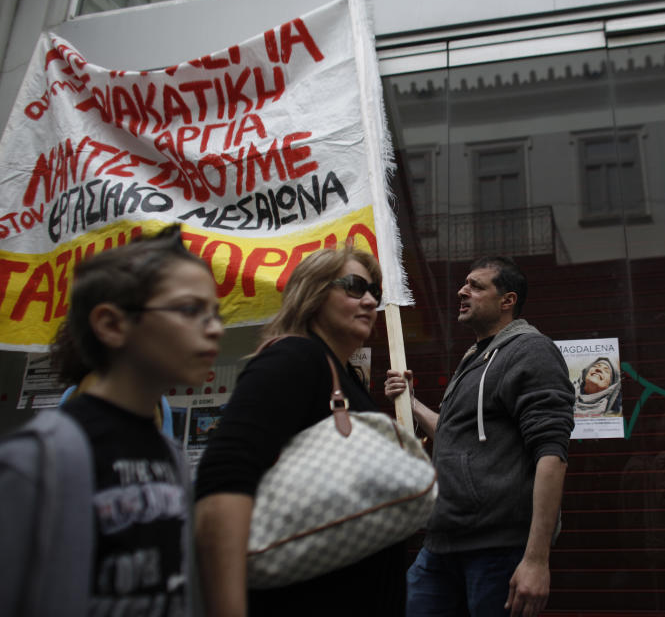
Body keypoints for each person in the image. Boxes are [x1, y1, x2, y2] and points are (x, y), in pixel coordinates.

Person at [0, 224, 223, 616]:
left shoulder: (170, 456)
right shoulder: (36, 459)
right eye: (190, 310)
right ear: (111, 324)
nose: (215, 329)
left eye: (215, 313)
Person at [194, 245, 406, 616]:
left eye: (375, 291)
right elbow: (224, 478)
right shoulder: (294, 358)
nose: (371, 300)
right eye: (355, 287)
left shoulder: (343, 376)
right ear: (314, 290)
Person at [385, 256, 575, 617]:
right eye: (464, 283)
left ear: (508, 301)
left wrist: (536, 559)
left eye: (476, 285)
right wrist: (412, 403)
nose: (462, 290)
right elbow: (455, 436)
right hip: (442, 543)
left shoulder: (530, 351)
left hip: (497, 549)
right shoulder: (476, 356)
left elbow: (552, 454)